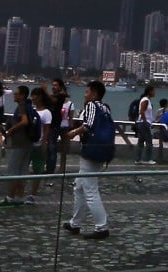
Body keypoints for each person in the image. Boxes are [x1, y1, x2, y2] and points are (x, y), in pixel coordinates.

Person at [64, 80, 111, 239]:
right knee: (79, 187)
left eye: (87, 92)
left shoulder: (92, 106)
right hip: (102, 150)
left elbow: (88, 126)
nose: (85, 95)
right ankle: (75, 223)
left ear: (94, 94)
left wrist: (73, 133)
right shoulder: (106, 108)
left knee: (90, 189)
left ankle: (101, 227)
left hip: (90, 151)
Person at [0, 85, 33, 208]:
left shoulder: (22, 107)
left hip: (19, 143)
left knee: (13, 170)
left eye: (16, 94)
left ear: (22, 95)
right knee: (22, 171)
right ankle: (19, 197)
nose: (14, 95)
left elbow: (25, 121)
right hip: (28, 143)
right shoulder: (28, 106)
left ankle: (10, 197)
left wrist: (10, 130)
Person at [26, 87, 52, 204]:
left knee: (37, 169)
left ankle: (32, 194)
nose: (32, 98)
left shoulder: (46, 112)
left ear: (40, 97)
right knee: (23, 167)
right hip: (28, 143)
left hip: (39, 144)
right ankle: (20, 191)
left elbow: (46, 130)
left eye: (34, 96)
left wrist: (44, 143)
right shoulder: (31, 110)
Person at [50, 79, 74, 175]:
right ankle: (52, 167)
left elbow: (71, 118)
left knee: (64, 149)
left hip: (64, 127)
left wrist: (71, 130)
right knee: (52, 147)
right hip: (55, 125)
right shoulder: (54, 102)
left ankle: (62, 168)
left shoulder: (70, 104)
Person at [134, 85, 157, 165]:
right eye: (153, 91)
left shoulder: (148, 100)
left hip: (143, 122)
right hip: (144, 123)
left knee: (141, 141)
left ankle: (138, 159)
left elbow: (147, 113)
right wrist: (145, 122)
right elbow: (142, 111)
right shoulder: (145, 100)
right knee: (149, 141)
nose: (155, 92)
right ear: (150, 91)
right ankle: (149, 159)